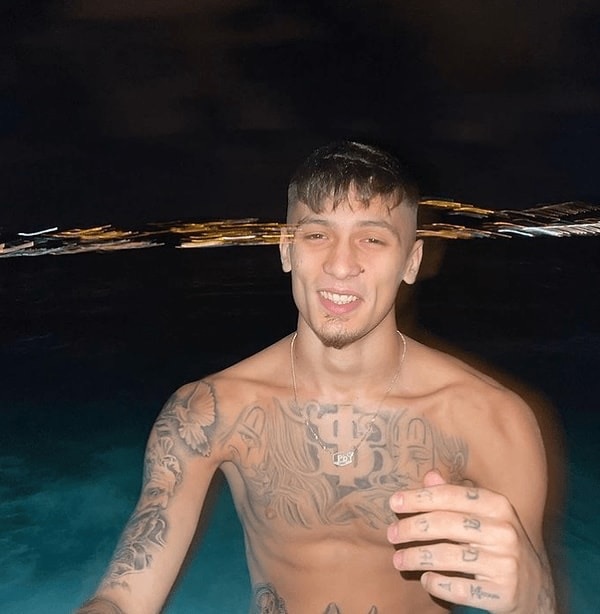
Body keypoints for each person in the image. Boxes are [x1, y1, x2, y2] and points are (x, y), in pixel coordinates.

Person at [76, 141, 557, 613]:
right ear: (286, 250)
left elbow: (538, 603)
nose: (341, 265)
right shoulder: (208, 412)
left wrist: (528, 593)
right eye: (317, 235)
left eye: (372, 238)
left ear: (411, 261)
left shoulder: (491, 419)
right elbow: (124, 595)